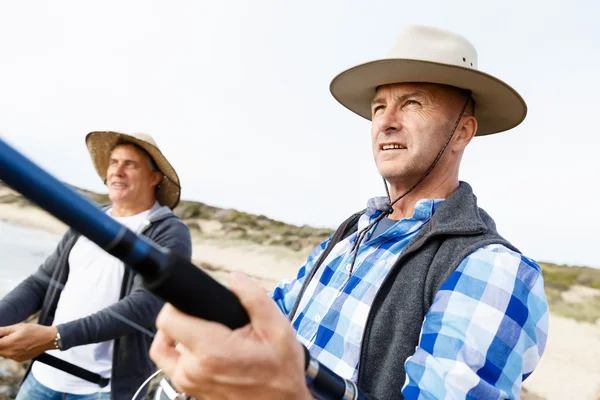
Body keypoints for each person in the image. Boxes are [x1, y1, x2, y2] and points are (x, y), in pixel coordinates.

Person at [149, 25, 549, 400]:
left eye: (412, 103)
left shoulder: (493, 269)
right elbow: (275, 313)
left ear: (462, 132)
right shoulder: (349, 235)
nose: (386, 123)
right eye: (378, 107)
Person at [0, 131, 192, 400]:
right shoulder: (90, 220)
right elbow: (41, 283)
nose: (117, 171)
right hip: (44, 377)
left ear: (154, 177)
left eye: (130, 164)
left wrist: (55, 337)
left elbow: (145, 305)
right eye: (113, 162)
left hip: (103, 389)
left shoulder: (169, 232)